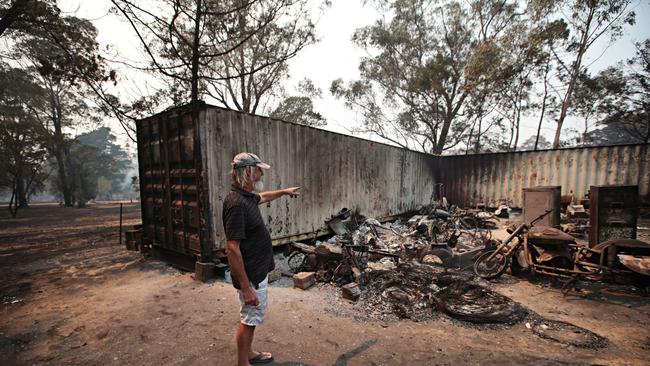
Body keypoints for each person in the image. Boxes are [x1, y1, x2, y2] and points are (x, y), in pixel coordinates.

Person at [222, 152, 300, 366]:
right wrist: (246, 287)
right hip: (250, 276)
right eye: (258, 170)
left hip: (256, 271)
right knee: (248, 319)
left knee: (252, 318)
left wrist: (284, 192)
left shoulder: (246, 197)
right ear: (248, 171)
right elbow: (232, 248)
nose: (260, 173)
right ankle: (242, 362)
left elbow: (263, 197)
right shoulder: (236, 203)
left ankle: (249, 354)